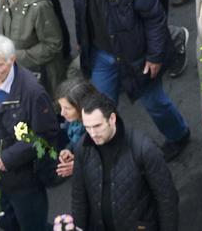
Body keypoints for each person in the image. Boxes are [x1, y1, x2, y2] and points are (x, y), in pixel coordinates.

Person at [66, 0, 191, 160]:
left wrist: (154, 56)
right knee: (99, 105)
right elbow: (82, 14)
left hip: (137, 56)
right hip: (102, 54)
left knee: (155, 103)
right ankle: (112, 149)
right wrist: (84, 41)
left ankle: (179, 135)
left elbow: (154, 18)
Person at [0, 33, 60, 230]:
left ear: (12, 60)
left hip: (23, 180)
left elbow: (46, 134)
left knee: (32, 226)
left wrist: (10, 157)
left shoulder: (33, 92)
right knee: (5, 222)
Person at [71, 94, 180, 231]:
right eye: (87, 127)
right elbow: (79, 196)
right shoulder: (83, 148)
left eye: (97, 126)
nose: (92, 134)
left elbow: (167, 198)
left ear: (112, 118)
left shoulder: (143, 149)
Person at [0, 0, 68, 95]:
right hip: (18, 70)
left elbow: (53, 45)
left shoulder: (40, 6)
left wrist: (16, 56)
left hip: (43, 75)